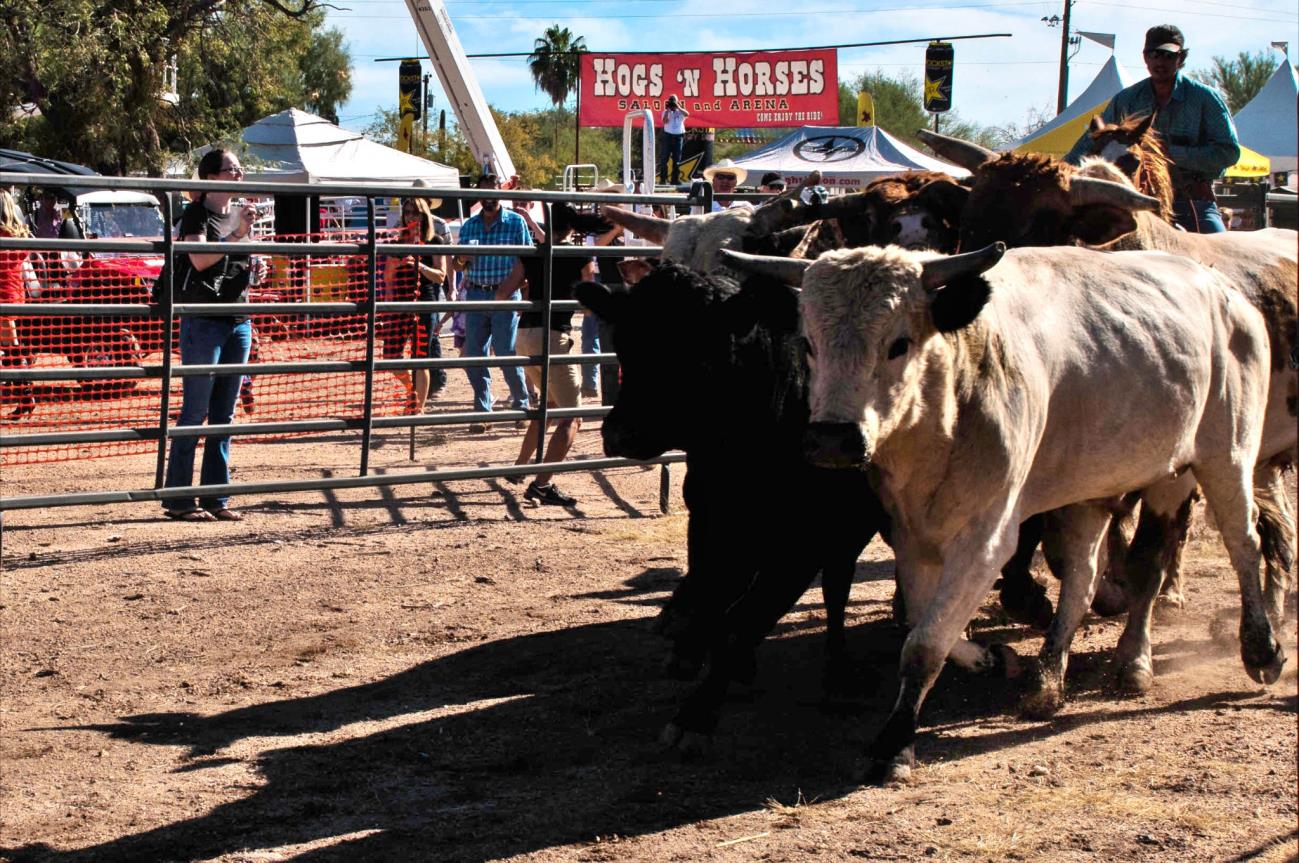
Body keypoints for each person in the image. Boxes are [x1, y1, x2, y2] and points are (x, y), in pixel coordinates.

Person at [1063, 24, 1239, 233]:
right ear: (1145, 57)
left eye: (1167, 55)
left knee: (1215, 255)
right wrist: (1060, 172)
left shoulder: (1205, 99)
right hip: (1134, 203)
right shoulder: (1127, 100)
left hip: (1191, 201)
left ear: (1180, 59)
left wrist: (1171, 154)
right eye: (1154, 54)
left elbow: (1229, 152)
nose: (1159, 61)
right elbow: (1090, 143)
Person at [161, 148, 258, 522]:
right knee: (196, 410)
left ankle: (216, 497)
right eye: (231, 169)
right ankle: (180, 498)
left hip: (238, 319)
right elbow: (200, 259)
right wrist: (238, 235)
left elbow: (235, 257)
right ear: (210, 177)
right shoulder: (197, 213)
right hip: (203, 320)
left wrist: (254, 266)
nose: (239, 174)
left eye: (239, 168)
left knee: (224, 414)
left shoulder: (237, 214)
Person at [509, 203, 605, 506]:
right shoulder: (577, 255)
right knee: (572, 418)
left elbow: (503, 293)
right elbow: (590, 299)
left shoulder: (532, 252)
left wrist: (531, 288)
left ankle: (520, 467)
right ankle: (542, 484)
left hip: (524, 334)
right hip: (554, 335)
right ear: (572, 227)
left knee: (548, 405)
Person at [453, 172, 532, 432]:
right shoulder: (469, 226)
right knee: (474, 354)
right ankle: (482, 411)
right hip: (476, 293)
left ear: (501, 190)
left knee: (506, 352)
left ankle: (521, 405)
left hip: (505, 294)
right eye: (484, 191)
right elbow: (455, 263)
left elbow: (527, 260)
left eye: (493, 189)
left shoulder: (515, 222)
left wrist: (513, 292)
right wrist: (462, 259)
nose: (488, 196)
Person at [0, 190, 35, 420]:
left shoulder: (3, 235)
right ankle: (25, 397)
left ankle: (26, 395)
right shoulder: (20, 234)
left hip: (4, 294)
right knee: (10, 345)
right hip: (15, 292)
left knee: (11, 346)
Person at [658, 95, 691, 185]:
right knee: (664, 159)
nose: (673, 105)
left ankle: (675, 179)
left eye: (674, 102)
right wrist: (668, 111)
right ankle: (663, 179)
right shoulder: (665, 111)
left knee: (677, 160)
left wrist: (678, 106)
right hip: (667, 137)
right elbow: (665, 121)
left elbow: (687, 114)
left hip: (678, 137)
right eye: (671, 102)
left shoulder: (680, 112)